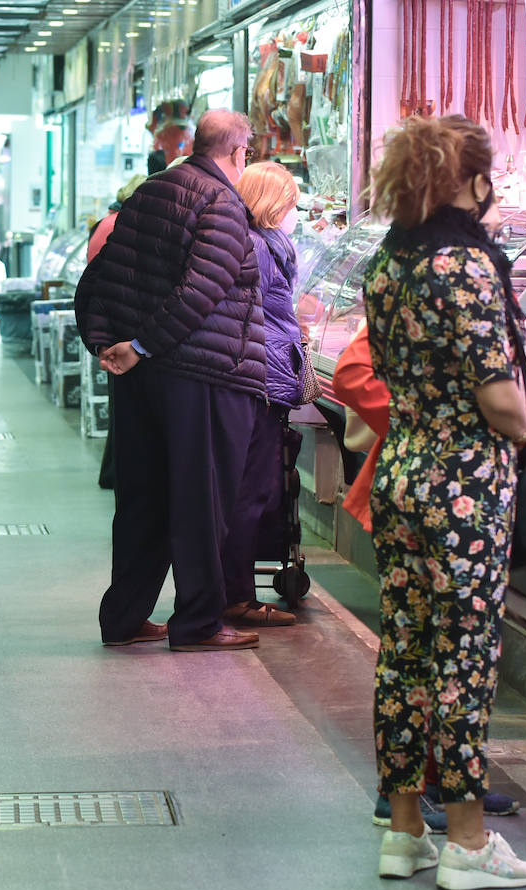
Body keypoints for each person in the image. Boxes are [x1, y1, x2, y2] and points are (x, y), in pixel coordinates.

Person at [361, 115, 526, 890]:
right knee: (464, 660)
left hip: (402, 468)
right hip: (463, 484)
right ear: (466, 180)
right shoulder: (463, 264)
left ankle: (404, 832)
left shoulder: (387, 262)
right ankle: (468, 842)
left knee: (403, 653)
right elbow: (496, 397)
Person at [75, 108, 267, 652]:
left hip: (142, 380)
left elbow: (99, 278)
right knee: (201, 502)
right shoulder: (222, 202)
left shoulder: (150, 191)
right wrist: (140, 345)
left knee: (143, 500)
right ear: (237, 151)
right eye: (247, 150)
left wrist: (108, 344)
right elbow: (203, 291)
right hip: (200, 375)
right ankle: (199, 623)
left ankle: (125, 618)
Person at [334, 322, 522, 833]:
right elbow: (353, 373)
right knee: (459, 654)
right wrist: (506, 427)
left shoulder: (404, 268)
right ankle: (460, 828)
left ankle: (419, 807)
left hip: (416, 483)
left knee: (412, 651)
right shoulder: (457, 275)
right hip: (453, 490)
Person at [217, 162, 305, 628]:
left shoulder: (258, 244)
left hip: (258, 377)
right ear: (275, 204)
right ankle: (237, 598)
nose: (295, 213)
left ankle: (234, 592)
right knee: (251, 493)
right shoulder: (261, 248)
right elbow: (259, 316)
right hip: (260, 382)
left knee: (251, 492)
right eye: (291, 203)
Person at [86, 173, 149, 492]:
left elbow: (91, 286)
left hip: (116, 336)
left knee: (121, 417)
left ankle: (113, 472)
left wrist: (97, 340)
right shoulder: (126, 227)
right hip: (128, 339)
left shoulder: (109, 223)